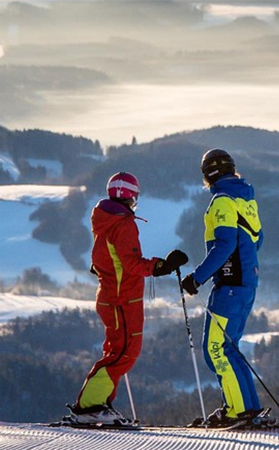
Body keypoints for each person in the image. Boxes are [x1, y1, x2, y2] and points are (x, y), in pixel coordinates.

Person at [61, 171, 188, 426]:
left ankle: (100, 403)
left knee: (115, 351)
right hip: (122, 299)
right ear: (130, 196)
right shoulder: (123, 223)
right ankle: (89, 407)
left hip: (113, 297)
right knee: (125, 353)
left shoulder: (105, 220)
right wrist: (161, 266)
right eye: (135, 196)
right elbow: (131, 264)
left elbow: (104, 260)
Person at [181, 148, 265, 428]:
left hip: (229, 286)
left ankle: (237, 411)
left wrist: (197, 277)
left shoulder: (221, 201)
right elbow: (258, 239)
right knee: (229, 348)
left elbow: (224, 244)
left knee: (215, 348)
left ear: (207, 175)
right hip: (245, 284)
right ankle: (246, 407)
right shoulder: (245, 199)